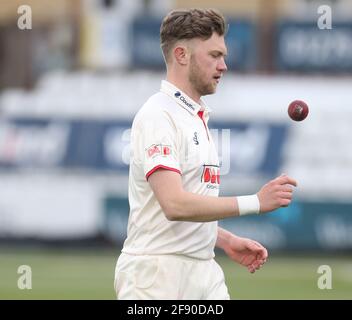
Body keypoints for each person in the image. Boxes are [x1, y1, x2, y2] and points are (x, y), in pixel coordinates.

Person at [114, 8, 297, 300]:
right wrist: (255, 202)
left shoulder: (195, 115)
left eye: (223, 55)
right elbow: (174, 204)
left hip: (203, 270)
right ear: (182, 55)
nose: (223, 65)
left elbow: (187, 204)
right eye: (214, 55)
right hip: (157, 275)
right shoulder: (158, 115)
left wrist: (221, 238)